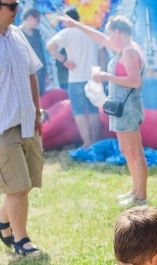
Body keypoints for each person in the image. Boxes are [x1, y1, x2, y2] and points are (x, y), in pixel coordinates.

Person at [0, 0, 45, 256]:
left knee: (26, 182)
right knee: (16, 188)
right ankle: (21, 241)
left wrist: (37, 112)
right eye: (12, 5)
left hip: (26, 121)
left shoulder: (16, 33)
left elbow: (31, 74)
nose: (18, 9)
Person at [61, 15, 148, 208]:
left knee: (135, 152)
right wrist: (76, 24)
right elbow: (99, 38)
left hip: (128, 107)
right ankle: (135, 191)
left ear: (118, 32)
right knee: (126, 150)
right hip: (120, 107)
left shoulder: (130, 52)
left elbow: (135, 81)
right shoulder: (123, 49)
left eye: (110, 32)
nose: (108, 37)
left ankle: (142, 196)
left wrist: (106, 76)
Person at [46, 8, 102, 148]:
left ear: (67, 19)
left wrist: (63, 60)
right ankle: (95, 140)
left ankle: (87, 142)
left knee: (79, 112)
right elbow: (102, 53)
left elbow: (50, 46)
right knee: (94, 110)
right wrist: (101, 73)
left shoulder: (67, 33)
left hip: (76, 79)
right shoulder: (91, 31)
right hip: (93, 78)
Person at [19, 8, 48, 95]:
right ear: (30, 18)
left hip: (39, 71)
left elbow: (42, 53)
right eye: (37, 19)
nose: (38, 22)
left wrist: (45, 73)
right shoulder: (16, 33)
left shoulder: (37, 33)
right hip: (24, 72)